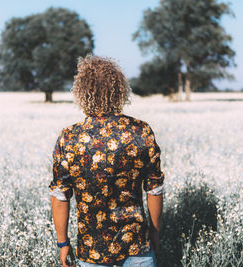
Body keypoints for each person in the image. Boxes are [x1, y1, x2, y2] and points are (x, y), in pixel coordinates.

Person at [49, 54, 164, 267]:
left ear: (81, 93)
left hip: (92, 252)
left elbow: (60, 195)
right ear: (119, 91)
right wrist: (155, 233)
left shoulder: (69, 137)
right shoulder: (141, 131)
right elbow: (154, 189)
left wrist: (62, 242)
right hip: (137, 248)